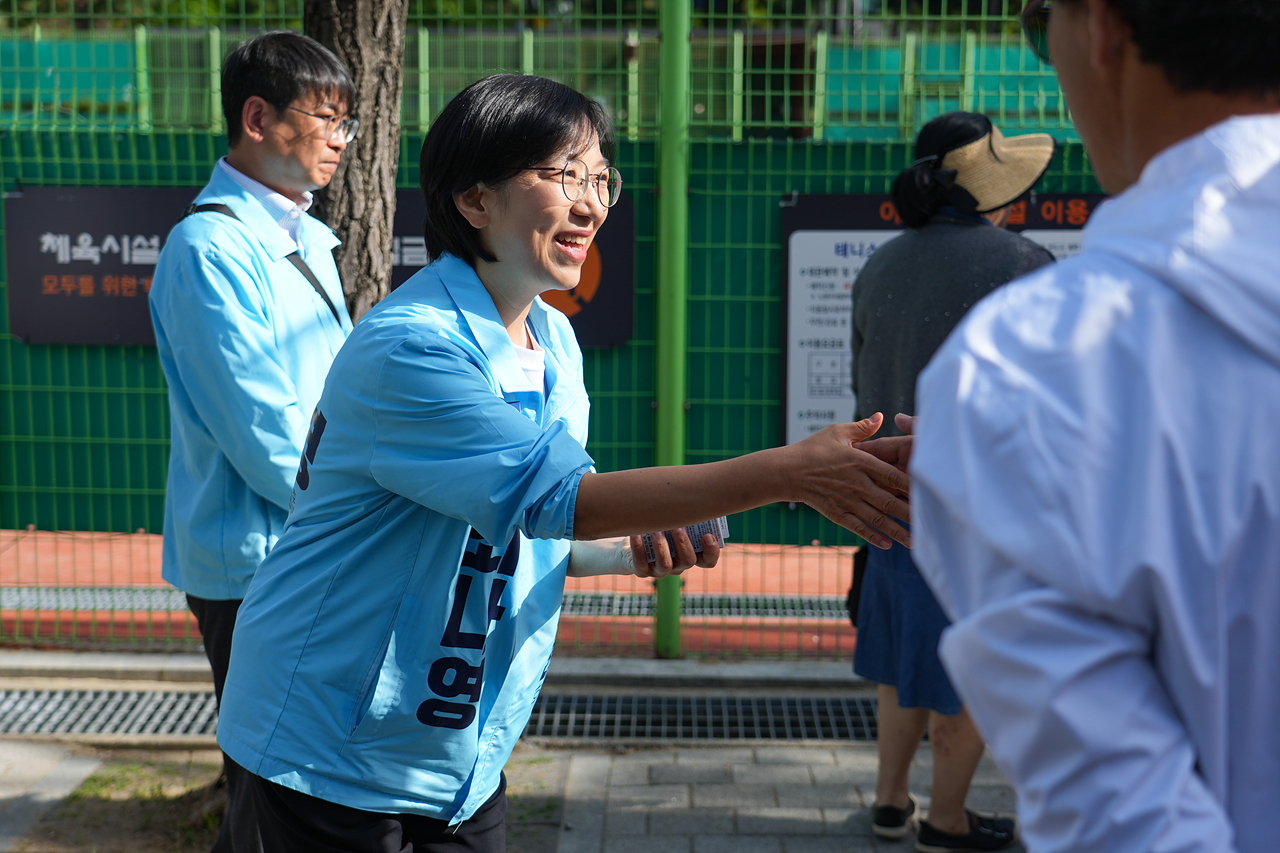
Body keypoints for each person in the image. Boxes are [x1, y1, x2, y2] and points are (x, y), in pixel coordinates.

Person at [214, 73, 914, 852]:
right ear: (475, 201)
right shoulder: (413, 346)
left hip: (456, 754)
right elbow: (562, 499)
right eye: (562, 174)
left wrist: (627, 548)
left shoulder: (552, 341)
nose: (592, 202)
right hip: (327, 748)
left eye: (600, 176)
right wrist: (789, 473)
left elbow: (534, 525)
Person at [907, 2, 1280, 852]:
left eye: (1042, 30)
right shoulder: (1029, 317)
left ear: (1103, 30)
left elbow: (1122, 818)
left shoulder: (1033, 364)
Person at [148, 31, 357, 853]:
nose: (341, 137)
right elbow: (264, 432)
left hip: (305, 544)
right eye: (325, 117)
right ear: (258, 117)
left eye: (350, 121)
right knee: (269, 791)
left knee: (297, 786)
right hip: (256, 563)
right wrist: (362, 508)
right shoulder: (208, 248)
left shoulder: (307, 236)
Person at [850, 111, 1054, 852]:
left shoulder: (881, 265)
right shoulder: (1026, 265)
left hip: (884, 497)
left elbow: (861, 389)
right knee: (970, 668)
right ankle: (947, 820)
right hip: (981, 510)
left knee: (904, 661)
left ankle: (889, 800)